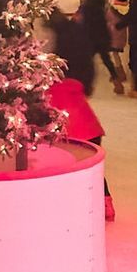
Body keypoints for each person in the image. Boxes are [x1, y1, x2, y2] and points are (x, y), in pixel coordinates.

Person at [48, 12, 114, 221]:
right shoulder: (73, 86)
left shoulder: (49, 90)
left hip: (72, 134)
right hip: (91, 130)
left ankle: (71, 206)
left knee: (65, 170)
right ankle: (106, 204)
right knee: (94, 171)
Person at [80, 0, 123, 95]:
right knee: (107, 60)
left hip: (91, 37)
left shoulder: (87, 6)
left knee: (87, 62)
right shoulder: (101, 4)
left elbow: (85, 23)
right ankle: (117, 82)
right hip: (103, 36)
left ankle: (85, 84)